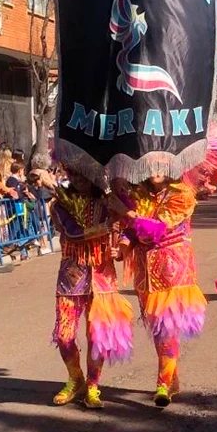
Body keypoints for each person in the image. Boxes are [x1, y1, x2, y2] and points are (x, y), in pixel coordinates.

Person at [117, 173, 208, 407]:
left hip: (173, 270)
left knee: (167, 328)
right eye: (151, 164)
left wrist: (127, 213)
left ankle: (163, 385)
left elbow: (156, 229)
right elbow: (131, 230)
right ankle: (173, 379)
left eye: (161, 164)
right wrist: (123, 244)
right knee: (159, 331)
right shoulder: (139, 194)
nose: (155, 170)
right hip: (146, 273)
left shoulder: (183, 194)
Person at [48, 170, 135, 409]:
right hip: (71, 278)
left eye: (84, 174)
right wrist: (107, 226)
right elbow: (72, 232)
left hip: (103, 278)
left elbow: (128, 229)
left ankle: (93, 385)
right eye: (73, 174)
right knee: (64, 336)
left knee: (98, 337)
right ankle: (76, 379)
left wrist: (122, 248)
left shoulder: (110, 202)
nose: (78, 179)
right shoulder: (60, 204)